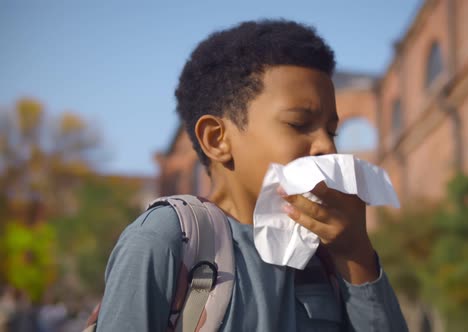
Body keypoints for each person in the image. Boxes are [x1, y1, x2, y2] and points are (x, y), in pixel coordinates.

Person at [96, 19, 408, 331]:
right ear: (217, 140)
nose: (327, 147)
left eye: (332, 131)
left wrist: (357, 255)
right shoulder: (167, 239)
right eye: (299, 124)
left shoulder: (323, 253)